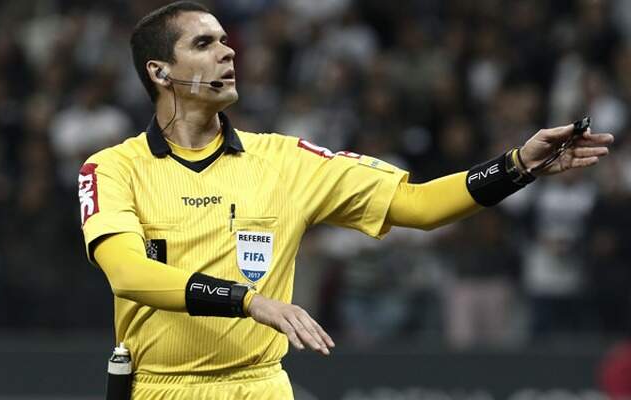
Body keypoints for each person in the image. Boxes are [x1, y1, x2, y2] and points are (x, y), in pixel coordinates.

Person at [77, 2, 614, 399]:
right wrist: (249, 300)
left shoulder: (286, 160)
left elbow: (419, 205)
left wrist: (517, 164)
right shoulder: (112, 169)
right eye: (203, 44)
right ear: (159, 71)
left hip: (260, 387)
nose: (227, 50)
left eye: (224, 39)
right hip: (158, 389)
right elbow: (127, 273)